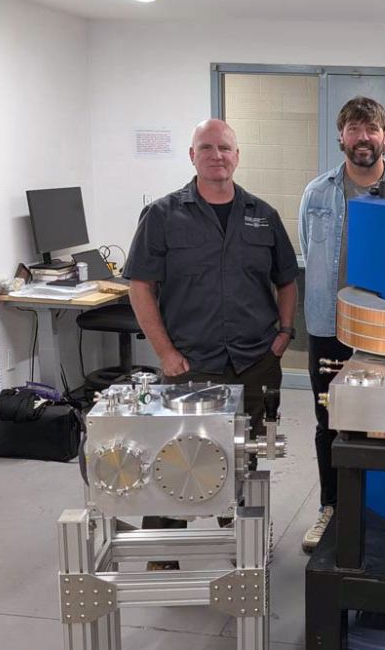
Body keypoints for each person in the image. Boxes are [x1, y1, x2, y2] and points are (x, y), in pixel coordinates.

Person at [123, 119, 299, 568]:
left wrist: (283, 334)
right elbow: (140, 286)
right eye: (207, 147)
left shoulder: (263, 214)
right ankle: (163, 554)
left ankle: (244, 538)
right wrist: (164, 352)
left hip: (254, 362)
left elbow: (286, 279)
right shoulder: (162, 216)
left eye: (225, 147)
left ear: (237, 156)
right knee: (177, 459)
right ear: (192, 155)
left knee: (247, 458)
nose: (216, 155)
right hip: (190, 365)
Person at [297, 97, 385, 552]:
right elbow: (309, 251)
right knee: (330, 420)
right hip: (329, 326)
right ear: (341, 136)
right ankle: (332, 507)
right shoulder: (318, 192)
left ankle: (382, 511)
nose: (363, 138)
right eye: (354, 129)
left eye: (372, 129)